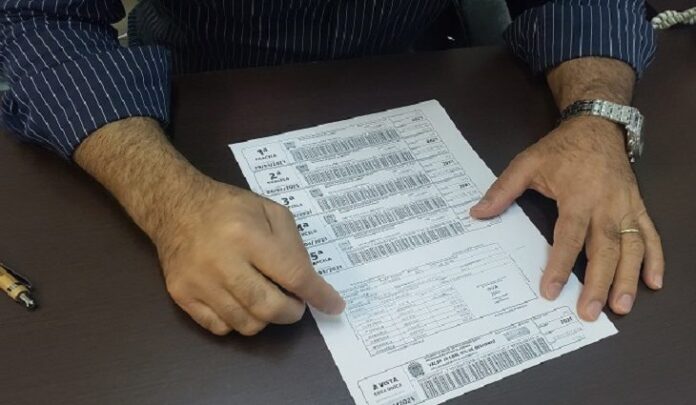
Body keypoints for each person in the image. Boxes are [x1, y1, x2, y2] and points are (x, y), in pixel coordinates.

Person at [0, 0, 664, 336]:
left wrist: (596, 118)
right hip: (199, 96)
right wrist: (168, 201)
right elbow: (38, 17)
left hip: (429, 74)